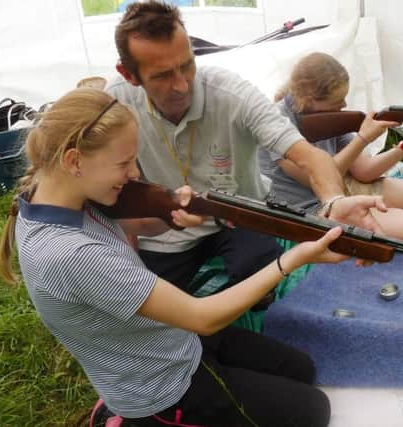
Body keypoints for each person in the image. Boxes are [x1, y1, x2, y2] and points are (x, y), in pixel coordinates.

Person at [0, 87, 377, 427]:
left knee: (302, 369)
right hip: (160, 388)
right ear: (74, 160)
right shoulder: (70, 254)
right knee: (312, 411)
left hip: (172, 339)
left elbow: (135, 226)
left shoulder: (55, 193)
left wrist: (172, 215)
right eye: (123, 164)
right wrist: (294, 259)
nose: (133, 175)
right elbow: (203, 316)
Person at [106, 1, 386, 309]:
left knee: (260, 281)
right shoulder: (112, 100)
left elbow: (310, 156)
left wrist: (333, 201)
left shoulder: (234, 94)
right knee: (150, 309)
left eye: (187, 64)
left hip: (242, 214)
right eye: (162, 75)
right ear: (128, 74)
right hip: (164, 229)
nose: (182, 84)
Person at [259, 52, 403, 242]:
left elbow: (364, 171)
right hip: (307, 206)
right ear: (310, 99)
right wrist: (362, 139)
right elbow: (318, 178)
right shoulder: (277, 123)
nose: (344, 104)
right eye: (337, 101)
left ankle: (371, 209)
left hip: (340, 189)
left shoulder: (326, 115)